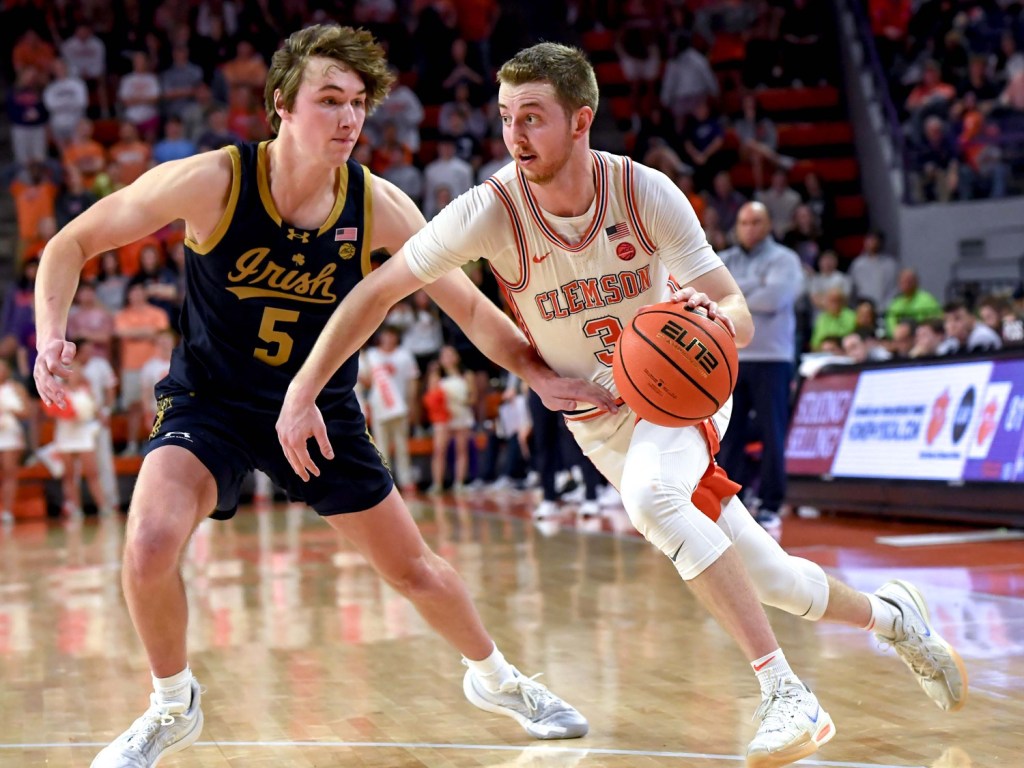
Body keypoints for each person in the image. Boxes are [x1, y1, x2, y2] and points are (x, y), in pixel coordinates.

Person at [277, 42, 967, 768]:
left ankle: (786, 693)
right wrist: (305, 387)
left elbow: (735, 308)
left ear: (582, 121)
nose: (515, 136)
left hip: (683, 383)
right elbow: (377, 290)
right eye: (507, 117)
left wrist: (715, 318)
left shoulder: (645, 193)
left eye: (533, 118)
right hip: (598, 423)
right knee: (773, 579)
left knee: (651, 498)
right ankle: (895, 618)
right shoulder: (490, 210)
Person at [34, 25, 608, 768]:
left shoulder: (376, 205)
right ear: (281, 104)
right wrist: (51, 337)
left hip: (318, 411)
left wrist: (538, 372)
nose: (348, 119)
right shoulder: (214, 180)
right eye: (329, 99)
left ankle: (496, 679)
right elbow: (68, 244)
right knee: (147, 543)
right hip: (213, 401)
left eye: (359, 104)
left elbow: (466, 306)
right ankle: (171, 706)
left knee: (413, 570)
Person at [717, 202, 802, 538]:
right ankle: (731, 502)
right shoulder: (725, 259)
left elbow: (776, 299)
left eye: (756, 222)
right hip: (732, 358)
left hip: (773, 359)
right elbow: (710, 295)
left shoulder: (785, 259)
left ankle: (770, 503)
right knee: (729, 435)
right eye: (743, 222)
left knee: (772, 433)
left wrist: (734, 296)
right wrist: (753, 289)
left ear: (768, 225)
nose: (749, 228)